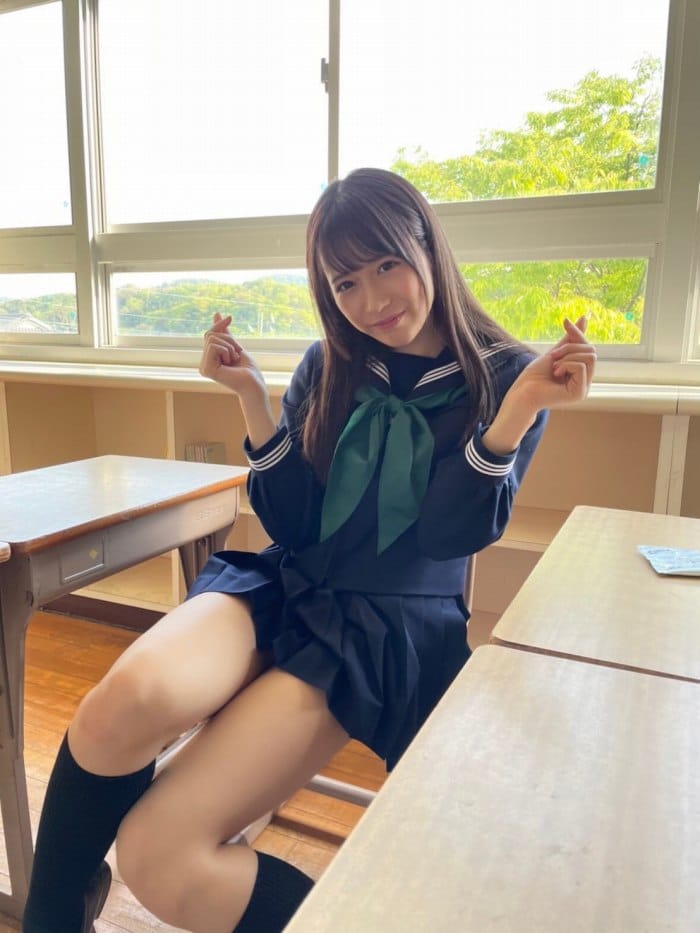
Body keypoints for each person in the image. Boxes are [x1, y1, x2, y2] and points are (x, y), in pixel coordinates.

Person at [22, 167, 595, 933]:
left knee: (157, 859)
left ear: (427, 245)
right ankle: (52, 918)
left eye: (386, 264)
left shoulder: (510, 377)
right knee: (118, 708)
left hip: (381, 628)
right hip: (286, 584)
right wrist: (253, 399)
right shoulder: (331, 362)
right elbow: (293, 524)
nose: (371, 299)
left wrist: (515, 413)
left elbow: (449, 536)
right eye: (345, 282)